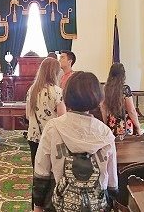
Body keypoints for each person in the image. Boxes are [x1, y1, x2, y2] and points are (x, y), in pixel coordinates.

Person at [32, 71, 118, 212]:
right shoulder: (105, 132)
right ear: (98, 98)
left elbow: (42, 170)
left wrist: (38, 205)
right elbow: (112, 178)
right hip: (96, 205)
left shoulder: (53, 127)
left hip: (60, 204)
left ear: (66, 96)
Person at [26, 57, 66, 167]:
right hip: (51, 136)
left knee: (37, 168)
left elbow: (28, 115)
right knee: (51, 168)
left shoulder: (32, 89)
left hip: (34, 135)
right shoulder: (57, 91)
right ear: (55, 73)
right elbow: (62, 118)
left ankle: (36, 184)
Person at [101, 62, 142, 136]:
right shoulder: (125, 89)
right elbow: (131, 111)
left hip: (111, 122)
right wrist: (138, 127)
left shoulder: (105, 88)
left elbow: (103, 108)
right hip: (124, 124)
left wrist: (105, 123)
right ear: (123, 74)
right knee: (127, 146)